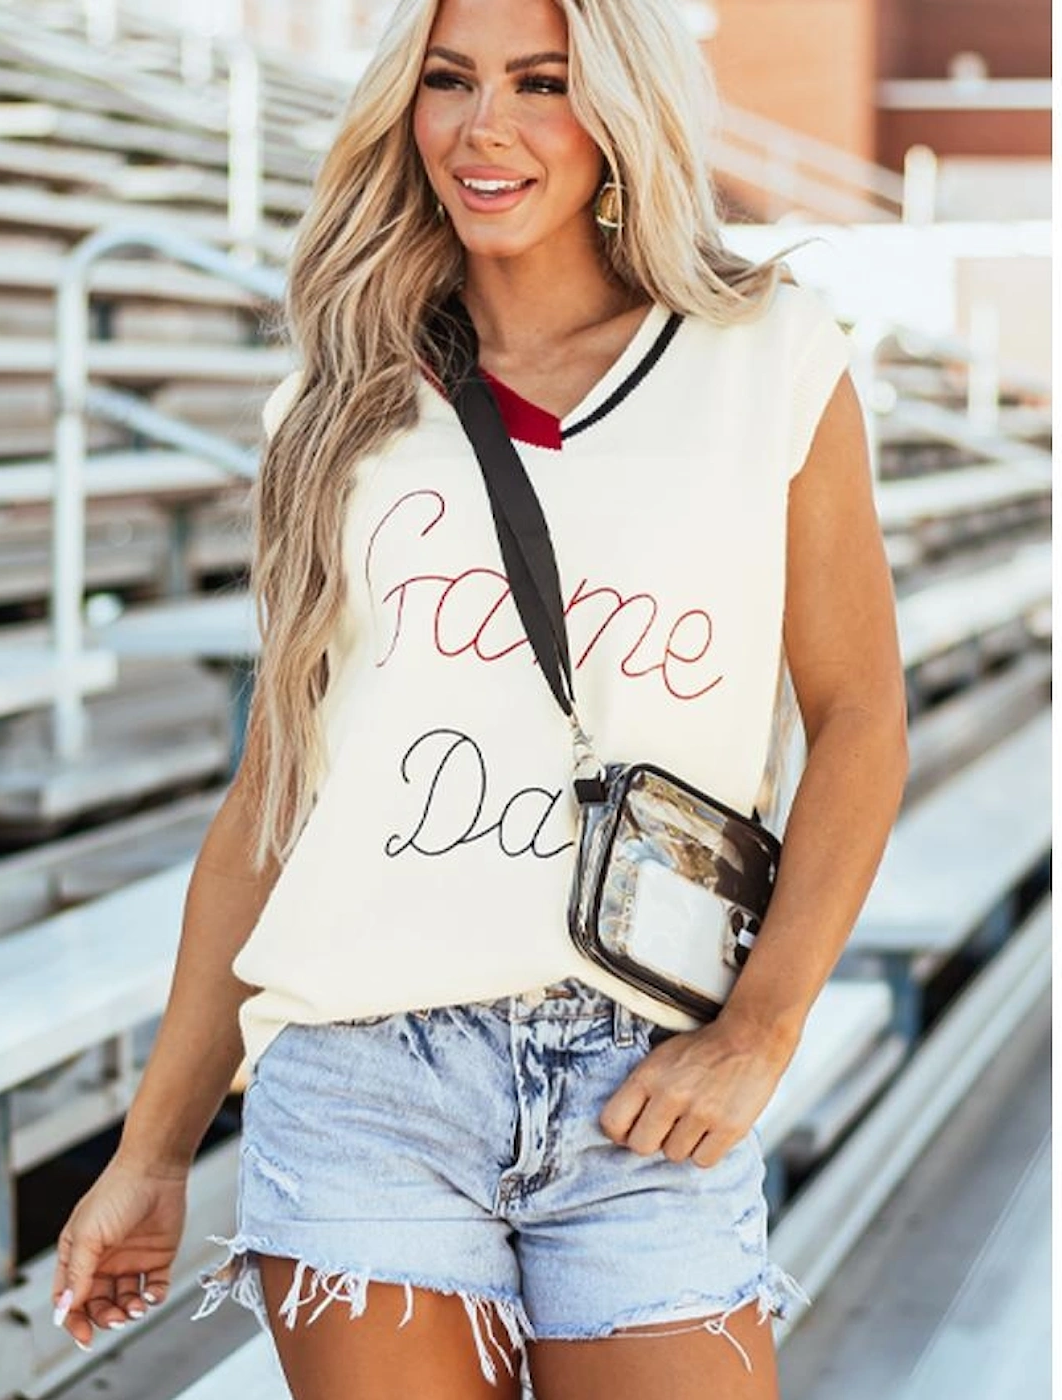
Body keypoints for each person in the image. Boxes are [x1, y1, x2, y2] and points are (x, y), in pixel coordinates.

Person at [50, 0, 908, 1396]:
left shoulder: (768, 360)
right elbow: (271, 808)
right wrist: (151, 1156)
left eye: (540, 83)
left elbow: (862, 714)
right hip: (365, 1080)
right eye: (448, 81)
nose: (483, 126)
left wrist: (762, 1026)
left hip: (645, 1071)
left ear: (619, 110)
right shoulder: (332, 412)